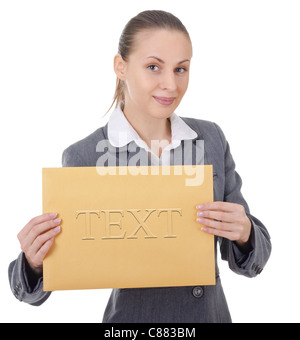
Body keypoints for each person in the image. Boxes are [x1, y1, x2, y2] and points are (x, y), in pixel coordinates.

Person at [8, 10, 271, 323]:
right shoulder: (84, 156)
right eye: (153, 67)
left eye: (181, 69)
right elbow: (37, 285)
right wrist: (34, 262)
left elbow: (252, 257)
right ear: (121, 66)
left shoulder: (210, 138)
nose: (170, 85)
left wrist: (245, 233)